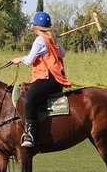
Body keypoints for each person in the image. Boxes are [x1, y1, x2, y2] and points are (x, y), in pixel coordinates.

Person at [11, 11, 71, 148]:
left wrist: (19, 59)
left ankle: (30, 135)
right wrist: (53, 41)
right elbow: (63, 53)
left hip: (48, 78)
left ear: (36, 27)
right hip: (56, 80)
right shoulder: (51, 39)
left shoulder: (40, 40)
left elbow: (29, 61)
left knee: (29, 99)